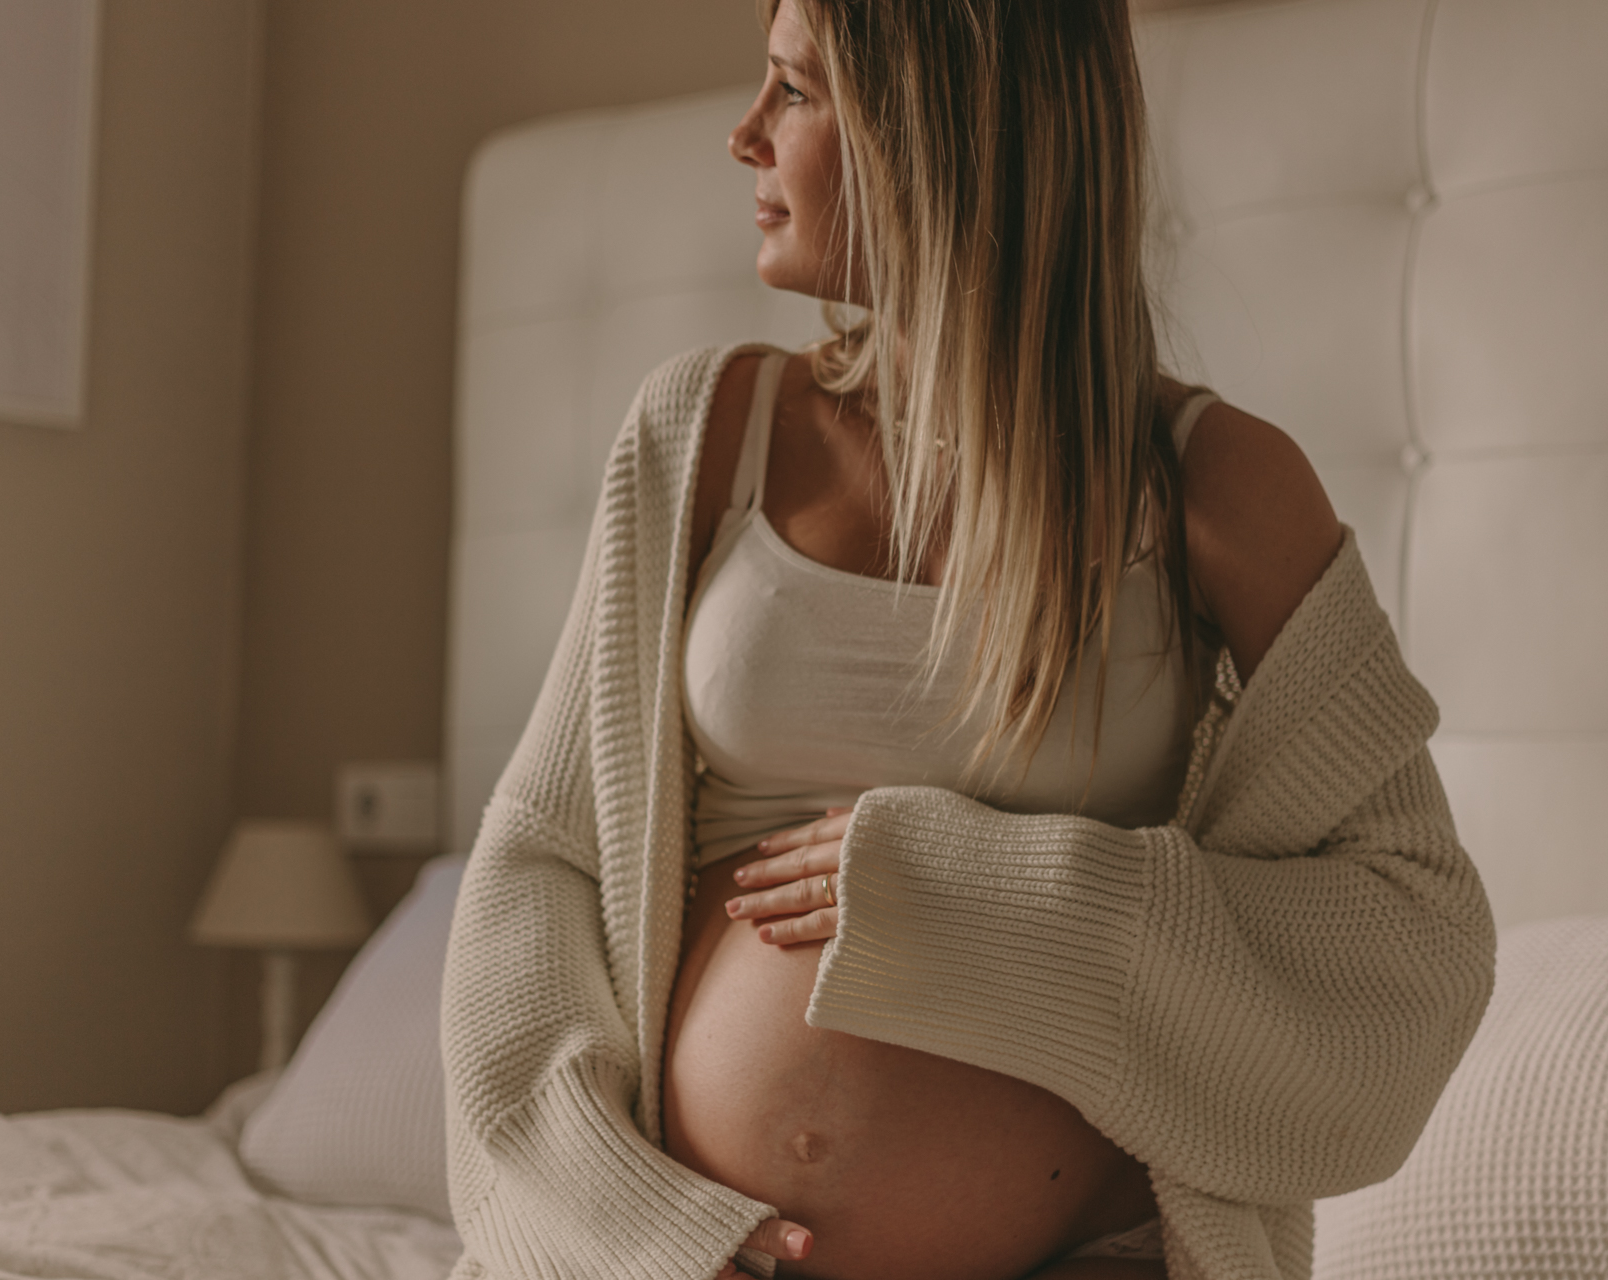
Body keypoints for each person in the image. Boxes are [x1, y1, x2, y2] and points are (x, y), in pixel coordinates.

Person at [440, 2, 1496, 1279]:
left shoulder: (1211, 487)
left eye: (794, 92)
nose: (743, 136)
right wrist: (633, 1225)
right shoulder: (708, 431)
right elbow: (538, 871)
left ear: (936, 138)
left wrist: (986, 901)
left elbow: (1412, 943)